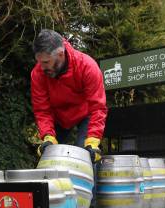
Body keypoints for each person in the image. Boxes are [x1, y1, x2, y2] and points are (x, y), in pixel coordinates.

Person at [30, 29, 107, 163]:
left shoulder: (87, 67)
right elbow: (42, 110)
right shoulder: (37, 74)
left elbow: (98, 108)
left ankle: (90, 183)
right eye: (39, 62)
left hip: (85, 114)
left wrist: (93, 140)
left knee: (86, 156)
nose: (41, 67)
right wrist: (48, 136)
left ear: (60, 54)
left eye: (46, 62)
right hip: (58, 117)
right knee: (49, 157)